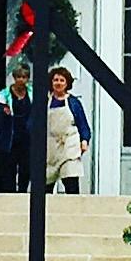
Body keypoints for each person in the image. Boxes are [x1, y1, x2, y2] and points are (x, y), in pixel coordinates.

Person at [44, 64, 92, 194]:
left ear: (67, 83)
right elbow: (33, 123)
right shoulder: (44, 102)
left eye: (62, 80)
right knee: (46, 186)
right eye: (56, 80)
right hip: (50, 148)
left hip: (69, 146)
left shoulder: (73, 102)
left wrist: (84, 140)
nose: (58, 83)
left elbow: (83, 124)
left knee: (71, 183)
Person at [0, 57, 30, 194]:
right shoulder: (4, 94)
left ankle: (23, 192)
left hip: (26, 136)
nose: (21, 80)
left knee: (26, 167)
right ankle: (10, 193)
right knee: (9, 168)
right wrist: (4, 112)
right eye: (18, 77)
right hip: (10, 137)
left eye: (24, 77)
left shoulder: (31, 93)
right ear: (14, 78)